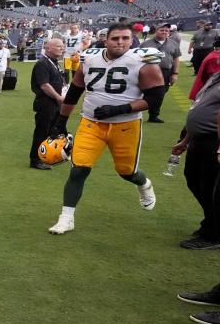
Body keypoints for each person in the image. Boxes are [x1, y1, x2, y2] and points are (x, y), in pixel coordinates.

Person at [48, 24, 164, 234]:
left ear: (131, 40)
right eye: (115, 38)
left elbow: (155, 98)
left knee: (126, 172)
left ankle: (144, 184)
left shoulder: (143, 61)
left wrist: (120, 108)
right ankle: (66, 218)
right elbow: (75, 91)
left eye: (125, 38)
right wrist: (61, 120)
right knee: (79, 169)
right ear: (105, 40)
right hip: (91, 123)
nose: (120, 42)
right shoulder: (90, 58)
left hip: (125, 126)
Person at [170, 72, 220, 249]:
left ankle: (213, 235)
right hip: (199, 139)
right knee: (194, 180)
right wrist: (186, 140)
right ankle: (211, 222)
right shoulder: (216, 77)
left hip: (214, 140)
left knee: (211, 187)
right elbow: (199, 107)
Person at [29, 38, 65, 170]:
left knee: (51, 131)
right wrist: (58, 97)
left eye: (62, 46)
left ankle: (46, 156)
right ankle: (35, 159)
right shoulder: (42, 63)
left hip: (54, 102)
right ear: (48, 48)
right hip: (46, 102)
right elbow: (44, 85)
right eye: (58, 46)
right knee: (42, 131)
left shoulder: (53, 62)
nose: (62, 48)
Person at [140, 23, 180, 123]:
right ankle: (138, 112)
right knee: (145, 93)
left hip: (165, 72)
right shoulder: (145, 44)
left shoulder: (173, 43)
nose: (164, 32)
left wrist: (175, 73)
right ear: (156, 31)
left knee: (161, 94)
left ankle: (153, 115)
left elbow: (176, 59)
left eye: (166, 31)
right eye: (162, 30)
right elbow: (138, 58)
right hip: (149, 72)